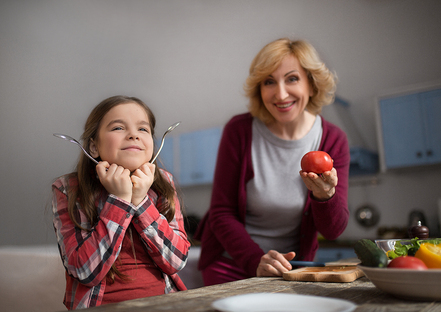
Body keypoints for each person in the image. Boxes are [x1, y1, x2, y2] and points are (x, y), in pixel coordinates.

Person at [194, 38, 350, 286]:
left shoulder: (332, 139)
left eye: (292, 78)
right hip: (232, 264)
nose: (280, 93)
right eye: (269, 82)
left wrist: (325, 197)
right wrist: (256, 259)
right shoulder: (239, 130)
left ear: (311, 84)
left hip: (293, 270)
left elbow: (333, 230)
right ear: (259, 89)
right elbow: (222, 213)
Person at [52, 95, 190, 309]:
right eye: (118, 128)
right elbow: (84, 271)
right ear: (94, 147)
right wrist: (120, 201)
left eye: (143, 129)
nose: (134, 135)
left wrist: (141, 201)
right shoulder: (68, 188)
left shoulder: (164, 182)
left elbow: (176, 261)